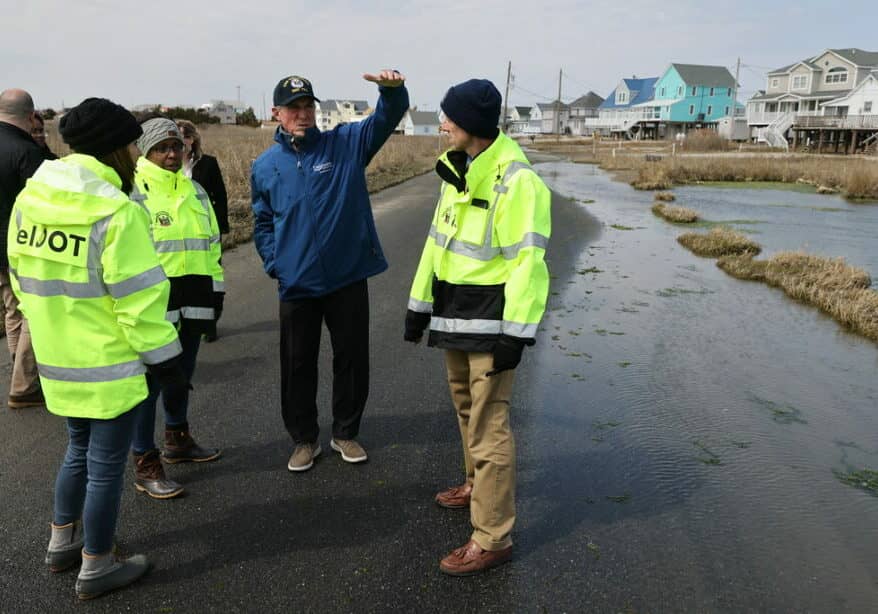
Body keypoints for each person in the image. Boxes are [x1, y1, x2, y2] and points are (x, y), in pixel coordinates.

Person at [8, 97, 186, 599]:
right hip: (108, 364)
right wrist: (167, 360)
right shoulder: (116, 212)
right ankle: (97, 565)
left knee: (77, 453)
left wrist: (51, 325)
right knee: (106, 467)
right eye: (131, 143)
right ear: (114, 149)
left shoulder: (31, 198)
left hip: (56, 358)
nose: (135, 153)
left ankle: (61, 544)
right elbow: (140, 305)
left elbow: (19, 278)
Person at [403, 79, 551, 576]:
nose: (441, 124)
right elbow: (436, 243)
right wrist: (417, 305)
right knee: (466, 409)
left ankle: (492, 537)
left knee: (489, 427)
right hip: (454, 316)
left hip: (490, 324)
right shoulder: (458, 170)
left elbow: (529, 264)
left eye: (448, 117)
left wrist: (516, 333)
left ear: (472, 125)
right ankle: (474, 485)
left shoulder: (518, 181)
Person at [251, 70, 408, 472]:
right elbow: (262, 221)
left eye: (308, 107)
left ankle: (346, 433)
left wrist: (390, 91)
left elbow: (385, 119)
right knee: (297, 364)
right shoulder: (266, 166)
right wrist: (275, 262)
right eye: (293, 108)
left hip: (346, 276)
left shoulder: (346, 144)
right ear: (276, 113)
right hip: (297, 281)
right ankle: (304, 440)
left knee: (352, 359)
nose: (302, 115)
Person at [129, 117, 224, 499]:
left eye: (175, 147)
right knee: (149, 383)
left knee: (182, 374)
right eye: (161, 148)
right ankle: (145, 460)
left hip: (196, 296)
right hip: (155, 304)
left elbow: (213, 244)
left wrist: (216, 293)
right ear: (145, 151)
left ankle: (178, 439)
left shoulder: (196, 189)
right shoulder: (133, 191)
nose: (171, 154)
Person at [0, 88, 52, 409]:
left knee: (12, 310)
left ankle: (20, 373)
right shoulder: (26, 152)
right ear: (32, 116)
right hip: (22, 246)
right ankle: (23, 384)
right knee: (32, 311)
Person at [176, 119, 228, 342]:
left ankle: (211, 320)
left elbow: (220, 195)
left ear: (192, 139)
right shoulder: (168, 165)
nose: (181, 143)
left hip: (206, 232)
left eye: (184, 137)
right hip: (178, 233)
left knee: (213, 279)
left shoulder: (207, 163)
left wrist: (222, 225)